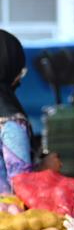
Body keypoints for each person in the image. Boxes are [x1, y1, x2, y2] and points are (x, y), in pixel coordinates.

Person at [0, 31, 33, 193]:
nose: (19, 78)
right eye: (20, 71)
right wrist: (46, 168)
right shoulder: (12, 123)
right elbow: (22, 186)